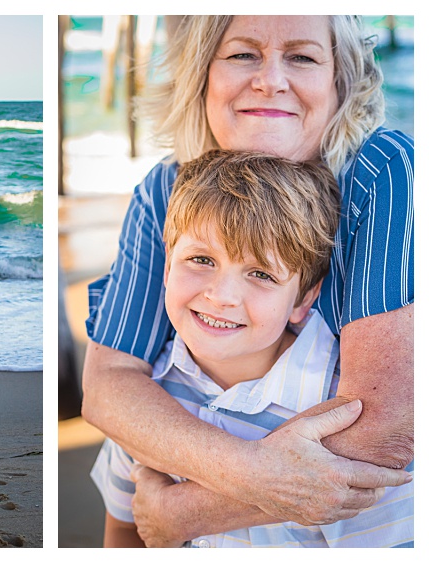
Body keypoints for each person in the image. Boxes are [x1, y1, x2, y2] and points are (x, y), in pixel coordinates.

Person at [81, 15, 413, 541]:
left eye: (302, 57)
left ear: (339, 81)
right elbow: (108, 389)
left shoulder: (379, 173)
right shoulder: (167, 188)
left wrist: (182, 514)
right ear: (202, 73)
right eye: (242, 54)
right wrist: (252, 472)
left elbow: (382, 434)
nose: (270, 80)